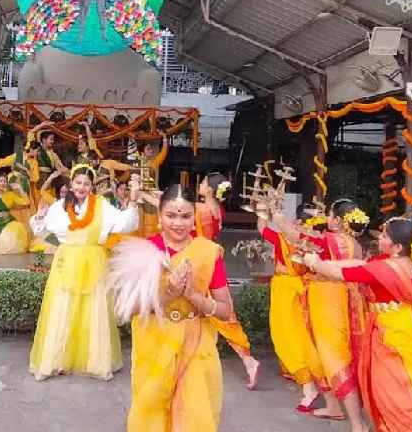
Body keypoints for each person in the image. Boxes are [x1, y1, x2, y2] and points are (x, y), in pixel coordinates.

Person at [109, 185, 238, 431]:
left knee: (193, 412)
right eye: (171, 215)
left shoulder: (208, 252)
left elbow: (225, 311)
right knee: (153, 411)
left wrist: (193, 296)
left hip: (196, 343)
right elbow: (129, 307)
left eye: (185, 216)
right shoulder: (145, 249)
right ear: (160, 215)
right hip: (154, 342)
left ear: (194, 217)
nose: (178, 223)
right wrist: (168, 293)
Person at [304, 217, 412, 432]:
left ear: (398, 247)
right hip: (411, 325)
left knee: (393, 389)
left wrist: (314, 263)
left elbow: (344, 274)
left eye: (384, 236)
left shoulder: (386, 268)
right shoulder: (402, 261)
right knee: (409, 385)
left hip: (394, 333)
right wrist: (325, 263)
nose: (379, 238)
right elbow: (360, 264)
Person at [29, 164, 139, 381]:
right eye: (78, 182)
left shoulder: (102, 206)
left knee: (94, 309)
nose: (81, 187)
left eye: (86, 184)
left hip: (94, 263)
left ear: (92, 186)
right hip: (67, 262)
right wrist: (39, 216)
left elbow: (125, 225)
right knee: (63, 308)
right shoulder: (60, 206)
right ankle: (57, 360)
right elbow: (41, 230)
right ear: (71, 183)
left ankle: (95, 362)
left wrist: (133, 202)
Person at [298, 198, 368, 430]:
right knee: (328, 354)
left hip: (328, 302)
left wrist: (275, 217)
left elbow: (296, 238)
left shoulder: (327, 239)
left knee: (333, 358)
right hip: (342, 301)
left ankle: (357, 423)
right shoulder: (356, 244)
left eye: (330, 215)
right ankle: (334, 408)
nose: (327, 218)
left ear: (338, 221)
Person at [257, 203, 326, 413]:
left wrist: (263, 209)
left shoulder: (287, 238)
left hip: (287, 289)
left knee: (288, 336)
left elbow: (261, 228)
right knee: (303, 335)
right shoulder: (316, 241)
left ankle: (309, 386)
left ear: (296, 221)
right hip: (303, 288)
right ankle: (315, 381)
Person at [196, 172, 261, 389]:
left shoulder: (202, 210)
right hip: (212, 262)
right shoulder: (217, 209)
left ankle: (248, 360)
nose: (200, 184)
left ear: (210, 190)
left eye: (203, 182)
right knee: (217, 313)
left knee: (217, 313)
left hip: (203, 264)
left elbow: (172, 206)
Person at [136, 133, 168, 237]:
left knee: (151, 217)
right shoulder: (137, 162)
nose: (151, 151)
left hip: (151, 193)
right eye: (148, 149)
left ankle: (151, 237)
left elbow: (163, 153)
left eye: (152, 149)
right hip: (139, 194)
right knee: (139, 218)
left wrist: (164, 139)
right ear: (142, 151)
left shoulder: (154, 162)